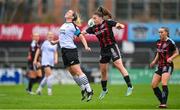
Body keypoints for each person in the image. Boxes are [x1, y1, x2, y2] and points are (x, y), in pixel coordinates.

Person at [82, 6, 133, 100]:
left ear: (101, 18)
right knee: (103, 71)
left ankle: (130, 86)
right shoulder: (93, 28)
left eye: (95, 18)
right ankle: (104, 89)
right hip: (103, 50)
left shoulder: (108, 22)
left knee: (118, 65)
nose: (93, 20)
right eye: (93, 18)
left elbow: (120, 25)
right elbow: (82, 33)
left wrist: (120, 26)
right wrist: (77, 33)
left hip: (112, 47)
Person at [51, 10, 93, 102]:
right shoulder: (64, 25)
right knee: (72, 73)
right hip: (64, 51)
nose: (67, 12)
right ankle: (83, 89)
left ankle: (89, 90)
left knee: (78, 71)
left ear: (72, 17)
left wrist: (86, 46)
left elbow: (81, 36)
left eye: (70, 12)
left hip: (71, 51)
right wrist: (55, 42)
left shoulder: (73, 26)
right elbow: (63, 38)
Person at [150, 27, 179, 108]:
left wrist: (171, 58)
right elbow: (158, 53)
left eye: (161, 32)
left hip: (168, 65)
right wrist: (154, 61)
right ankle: (162, 101)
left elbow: (177, 52)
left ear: (166, 32)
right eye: (159, 32)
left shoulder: (170, 42)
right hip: (160, 65)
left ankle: (163, 103)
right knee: (153, 85)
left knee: (164, 83)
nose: (160, 34)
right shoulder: (158, 42)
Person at [33, 32, 58, 96]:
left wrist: (56, 59)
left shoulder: (55, 43)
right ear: (47, 36)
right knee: (50, 76)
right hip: (45, 62)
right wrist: (35, 59)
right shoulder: (44, 43)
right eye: (49, 35)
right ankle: (49, 92)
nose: (51, 36)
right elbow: (38, 51)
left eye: (52, 35)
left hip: (51, 63)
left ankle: (39, 90)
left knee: (46, 77)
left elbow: (55, 52)